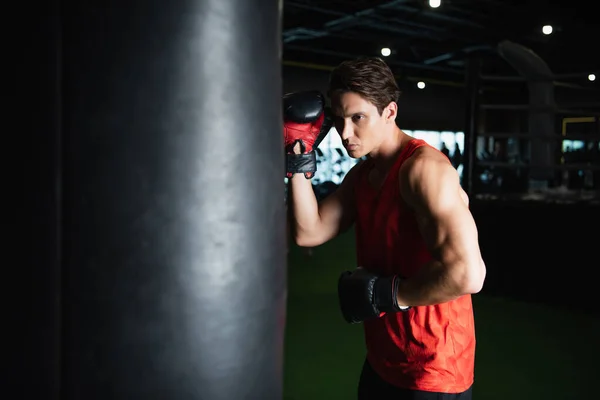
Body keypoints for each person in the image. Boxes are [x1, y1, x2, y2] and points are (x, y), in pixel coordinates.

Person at [283, 57, 486, 400]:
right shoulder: (364, 175)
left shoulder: (424, 170)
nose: (345, 133)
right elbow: (310, 232)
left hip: (432, 369)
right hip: (383, 360)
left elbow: (469, 275)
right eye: (338, 119)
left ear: (390, 112)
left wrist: (390, 295)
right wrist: (297, 158)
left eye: (357, 118)